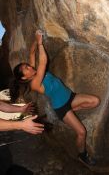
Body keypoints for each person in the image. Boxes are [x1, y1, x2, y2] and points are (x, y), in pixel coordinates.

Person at [10, 30, 100, 166]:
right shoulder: (34, 83)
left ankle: (70, 114)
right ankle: (82, 155)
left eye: (27, 65)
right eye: (26, 69)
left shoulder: (33, 71)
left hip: (70, 97)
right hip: (61, 107)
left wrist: (36, 38)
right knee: (82, 132)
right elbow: (43, 62)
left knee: (95, 101)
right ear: (24, 77)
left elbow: (32, 52)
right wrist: (40, 43)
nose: (29, 67)